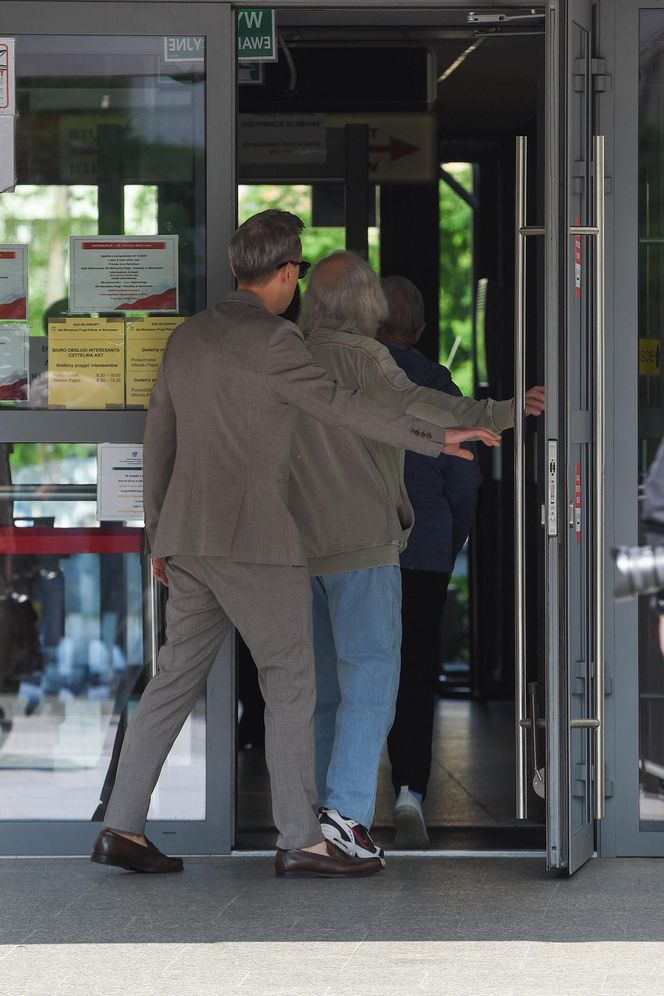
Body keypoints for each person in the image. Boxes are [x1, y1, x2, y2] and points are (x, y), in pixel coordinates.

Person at [90, 211, 501, 879]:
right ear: (285, 273)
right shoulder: (276, 340)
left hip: (189, 542)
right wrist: (437, 437)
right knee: (290, 683)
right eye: (298, 272)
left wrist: (159, 536)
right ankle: (302, 839)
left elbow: (158, 438)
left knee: (172, 682)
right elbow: (342, 406)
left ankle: (122, 826)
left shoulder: (188, 336)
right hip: (257, 541)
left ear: (235, 269)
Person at [288, 251, 545, 866]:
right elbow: (422, 405)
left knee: (321, 690)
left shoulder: (288, 354)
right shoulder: (367, 357)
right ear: (367, 305)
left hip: (297, 547)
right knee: (374, 678)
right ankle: (347, 820)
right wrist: (503, 411)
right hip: (362, 542)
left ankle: (311, 821)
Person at [377, 275, 481, 847]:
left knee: (356, 664)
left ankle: (337, 797)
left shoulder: (353, 377)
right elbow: (464, 479)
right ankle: (409, 790)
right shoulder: (440, 385)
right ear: (419, 329)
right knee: (416, 668)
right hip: (425, 549)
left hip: (361, 545)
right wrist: (451, 538)